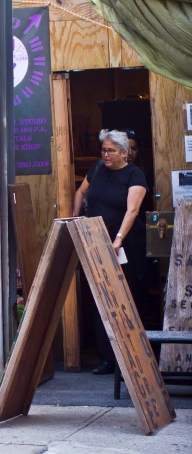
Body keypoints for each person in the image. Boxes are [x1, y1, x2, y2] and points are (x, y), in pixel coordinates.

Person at [73, 129, 147, 375]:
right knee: (100, 299)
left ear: (124, 153)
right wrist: (75, 221)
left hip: (124, 246)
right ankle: (107, 359)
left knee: (126, 299)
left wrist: (118, 239)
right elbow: (81, 191)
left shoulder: (134, 175)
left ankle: (131, 357)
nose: (105, 154)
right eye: (103, 150)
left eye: (111, 151)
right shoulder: (96, 169)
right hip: (96, 241)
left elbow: (132, 211)